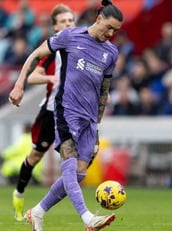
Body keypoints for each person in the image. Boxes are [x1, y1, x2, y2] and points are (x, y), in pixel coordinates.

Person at [8, 0, 123, 230]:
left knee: (79, 174)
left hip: (89, 120)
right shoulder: (71, 37)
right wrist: (19, 84)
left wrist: (96, 121)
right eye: (108, 27)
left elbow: (104, 89)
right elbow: (35, 55)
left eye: (115, 31)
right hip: (65, 112)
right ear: (98, 18)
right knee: (68, 166)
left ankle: (38, 212)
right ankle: (88, 219)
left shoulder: (111, 52)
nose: (110, 34)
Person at [11, 3, 75, 222]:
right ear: (55, 27)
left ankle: (80, 213)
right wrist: (49, 78)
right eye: (64, 21)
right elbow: (32, 77)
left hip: (72, 113)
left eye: (71, 20)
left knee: (73, 161)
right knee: (35, 156)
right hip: (49, 113)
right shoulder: (53, 49)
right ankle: (19, 193)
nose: (68, 24)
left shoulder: (83, 46)